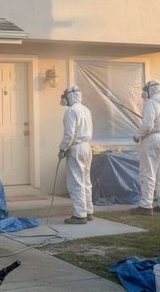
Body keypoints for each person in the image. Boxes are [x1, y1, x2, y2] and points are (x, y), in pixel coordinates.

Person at [131, 80, 160, 216]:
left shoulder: (151, 103)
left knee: (147, 172)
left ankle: (146, 205)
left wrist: (137, 136)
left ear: (151, 90)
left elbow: (148, 125)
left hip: (152, 139)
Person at [58, 86, 94, 224]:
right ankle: (88, 211)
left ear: (71, 97)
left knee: (76, 182)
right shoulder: (86, 110)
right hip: (86, 147)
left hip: (76, 148)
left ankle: (80, 215)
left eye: (65, 96)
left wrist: (62, 149)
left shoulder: (71, 112)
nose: (63, 99)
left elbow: (69, 134)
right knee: (86, 181)